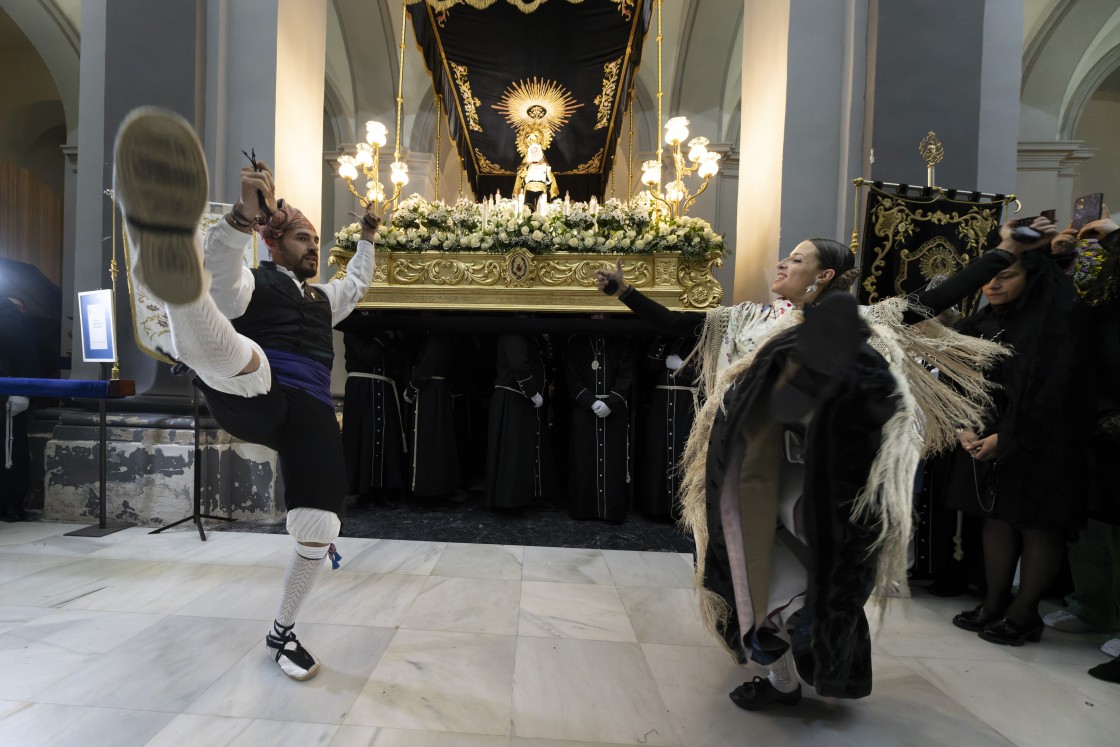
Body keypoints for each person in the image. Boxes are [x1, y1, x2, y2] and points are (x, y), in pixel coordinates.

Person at [595, 224, 1048, 709]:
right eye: (785, 257)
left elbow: (933, 298)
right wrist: (623, 291)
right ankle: (781, 679)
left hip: (818, 483)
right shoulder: (745, 320)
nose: (782, 265)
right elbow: (672, 324)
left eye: (795, 259)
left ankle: (810, 667)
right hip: (749, 475)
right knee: (754, 577)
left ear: (823, 275)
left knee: (810, 581)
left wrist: (1001, 253)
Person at [113, 106, 377, 681]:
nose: (313, 247)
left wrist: (367, 239)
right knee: (246, 358)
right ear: (274, 242)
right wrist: (241, 218)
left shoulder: (321, 299)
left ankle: (282, 631)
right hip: (251, 391)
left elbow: (355, 284)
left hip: (309, 415)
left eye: (314, 240)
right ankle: (178, 281)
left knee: (320, 526)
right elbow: (227, 287)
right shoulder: (252, 278)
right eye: (304, 238)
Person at [945, 246, 1092, 646]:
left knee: (1037, 525)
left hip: (1042, 437)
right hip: (988, 432)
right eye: (988, 277)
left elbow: (1058, 391)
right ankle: (993, 603)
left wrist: (1009, 437)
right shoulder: (985, 320)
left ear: (1033, 278)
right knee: (996, 519)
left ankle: (1025, 613)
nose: (992, 284)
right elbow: (963, 380)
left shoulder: (1055, 323)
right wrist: (964, 426)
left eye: (1005, 276)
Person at [564, 334, 633, 522]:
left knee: (613, 458)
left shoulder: (620, 341)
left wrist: (612, 402)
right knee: (584, 457)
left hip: (614, 410)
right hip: (585, 410)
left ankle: (611, 510)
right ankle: (583, 509)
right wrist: (591, 402)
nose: (598, 316)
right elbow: (571, 375)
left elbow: (626, 373)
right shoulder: (577, 342)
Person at [486, 333, 555, 512]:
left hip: (523, 398)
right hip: (513, 397)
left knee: (525, 450)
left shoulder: (529, 335)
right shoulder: (514, 333)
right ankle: (510, 500)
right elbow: (518, 365)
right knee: (514, 450)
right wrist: (531, 392)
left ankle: (528, 495)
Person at [636, 336, 699, 521]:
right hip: (661, 404)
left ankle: (680, 510)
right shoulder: (663, 341)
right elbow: (650, 368)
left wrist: (682, 367)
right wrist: (661, 340)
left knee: (682, 451)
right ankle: (657, 507)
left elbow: (706, 375)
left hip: (685, 404)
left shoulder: (699, 340)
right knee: (658, 452)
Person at [342, 331, 405, 508]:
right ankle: (364, 492)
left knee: (385, 441)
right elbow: (369, 356)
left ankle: (381, 490)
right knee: (365, 439)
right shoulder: (352, 331)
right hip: (362, 391)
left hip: (383, 388)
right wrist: (382, 338)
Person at [404, 332, 466, 506]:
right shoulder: (442, 338)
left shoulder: (436, 339)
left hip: (430, 392)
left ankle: (427, 489)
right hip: (437, 390)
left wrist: (412, 389)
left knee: (428, 439)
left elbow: (425, 367)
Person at [1, 296, 39, 521]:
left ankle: (12, 504)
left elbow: (24, 355)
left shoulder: (9, 318)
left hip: (8, 396)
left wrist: (22, 391)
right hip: (8, 393)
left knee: (10, 452)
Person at [512, 137, 558, 201]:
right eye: (532, 151)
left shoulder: (545, 166)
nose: (534, 153)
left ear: (539, 152)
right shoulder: (526, 166)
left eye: (536, 151)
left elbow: (551, 180)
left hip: (542, 191)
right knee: (528, 209)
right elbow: (519, 180)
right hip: (528, 190)